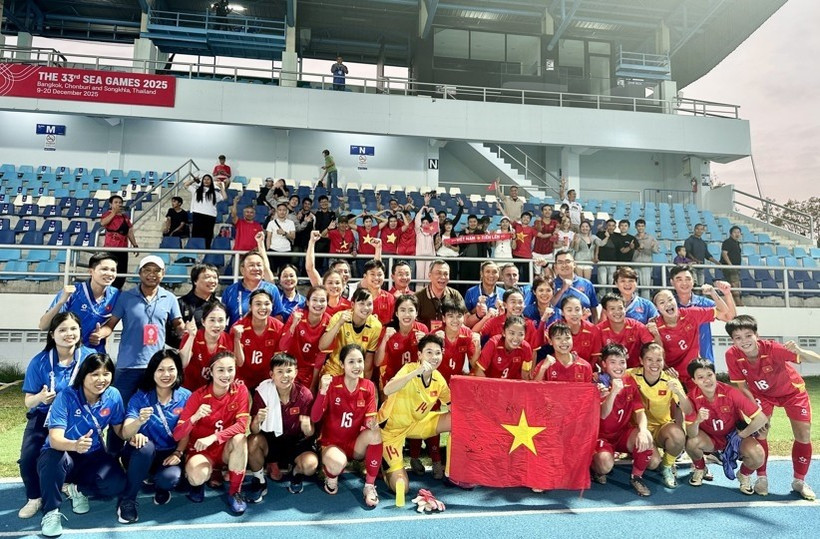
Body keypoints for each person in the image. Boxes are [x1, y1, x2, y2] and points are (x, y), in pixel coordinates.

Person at [724, 315, 818, 499]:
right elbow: (742, 386)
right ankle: (761, 477)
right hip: (762, 396)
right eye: (738, 337)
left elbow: (815, 359)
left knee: (803, 435)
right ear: (732, 340)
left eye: (748, 335)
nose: (744, 341)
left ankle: (799, 481)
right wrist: (755, 411)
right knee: (761, 431)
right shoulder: (732, 355)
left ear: (756, 335)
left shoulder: (773, 348)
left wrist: (799, 350)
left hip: (792, 392)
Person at [37, 353, 126, 537]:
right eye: (95, 374)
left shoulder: (113, 395)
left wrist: (136, 430)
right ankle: (51, 511)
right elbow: (55, 439)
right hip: (65, 454)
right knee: (53, 456)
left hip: (93, 454)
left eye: (106, 374)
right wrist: (75, 445)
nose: (101, 379)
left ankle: (77, 490)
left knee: (117, 484)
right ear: (84, 375)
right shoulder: (66, 397)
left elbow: (120, 430)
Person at [18, 313, 95, 520]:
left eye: (73, 329)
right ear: (52, 335)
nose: (68, 334)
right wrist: (41, 398)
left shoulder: (89, 357)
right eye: (62, 330)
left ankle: (72, 487)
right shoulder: (40, 361)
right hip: (43, 416)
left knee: (83, 453)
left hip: (76, 418)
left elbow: (100, 386)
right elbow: (28, 401)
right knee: (28, 457)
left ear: (80, 332)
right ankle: (35, 497)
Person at [92, 255, 183, 408]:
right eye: (147, 270)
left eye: (156, 271)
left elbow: (178, 325)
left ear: (163, 273)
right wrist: (100, 334)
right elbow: (111, 324)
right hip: (127, 365)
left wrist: (189, 333)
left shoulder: (170, 298)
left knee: (152, 411)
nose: (152, 274)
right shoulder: (126, 297)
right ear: (140, 273)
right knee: (120, 409)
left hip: (156, 366)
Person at [118, 350, 190, 523]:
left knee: (169, 479)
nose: (166, 375)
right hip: (140, 454)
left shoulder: (186, 397)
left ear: (178, 371)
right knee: (145, 447)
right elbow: (126, 433)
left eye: (171, 369)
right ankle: (128, 501)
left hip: (168, 454)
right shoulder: (140, 398)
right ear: (152, 372)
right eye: (160, 370)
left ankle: (159, 485)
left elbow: (187, 430)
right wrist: (138, 424)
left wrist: (178, 453)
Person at [173, 352, 250, 514]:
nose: (226, 375)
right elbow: (178, 434)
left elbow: (242, 425)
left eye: (230, 369)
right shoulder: (198, 396)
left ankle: (234, 492)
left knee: (240, 439)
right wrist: (195, 418)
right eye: (221, 370)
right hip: (202, 451)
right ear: (211, 371)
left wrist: (214, 437)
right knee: (197, 475)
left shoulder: (240, 391)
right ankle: (199, 483)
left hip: (225, 450)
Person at [310, 344, 383, 507]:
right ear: (342, 364)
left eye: (360, 361)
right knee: (337, 463)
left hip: (354, 444)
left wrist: (372, 423)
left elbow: (369, 420)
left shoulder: (368, 386)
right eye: (351, 362)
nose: (357, 366)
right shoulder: (332, 384)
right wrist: (322, 391)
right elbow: (315, 418)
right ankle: (330, 474)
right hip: (332, 444)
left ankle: (369, 486)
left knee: (376, 434)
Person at [379, 334, 452, 493]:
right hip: (392, 431)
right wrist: (416, 372)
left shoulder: (439, 380)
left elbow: (452, 405)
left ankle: (453, 472)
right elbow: (387, 389)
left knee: (458, 421)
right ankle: (383, 465)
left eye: (438, 353)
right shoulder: (409, 369)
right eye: (429, 352)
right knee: (402, 488)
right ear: (419, 355)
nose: (434, 357)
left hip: (417, 424)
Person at [684, 358, 767, 495]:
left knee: (758, 455)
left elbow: (761, 418)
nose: (707, 380)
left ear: (715, 375)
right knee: (691, 443)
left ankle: (744, 474)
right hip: (710, 439)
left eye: (710, 375)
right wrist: (697, 420)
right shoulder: (691, 398)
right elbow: (691, 433)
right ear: (694, 381)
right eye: (701, 377)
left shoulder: (730, 392)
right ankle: (700, 468)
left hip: (733, 435)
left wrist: (741, 435)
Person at [246, 353, 318, 501]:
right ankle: (259, 481)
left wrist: (307, 427)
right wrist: (257, 421)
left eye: (289, 371)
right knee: (252, 441)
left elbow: (311, 432)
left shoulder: (305, 395)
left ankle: (296, 472)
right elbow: (254, 431)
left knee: (310, 465)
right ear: (272, 374)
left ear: (296, 372)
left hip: (296, 441)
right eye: (280, 372)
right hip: (271, 441)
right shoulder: (262, 392)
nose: (285, 376)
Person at [591, 344, 655, 497]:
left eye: (622, 362)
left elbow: (640, 412)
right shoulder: (597, 382)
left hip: (622, 434)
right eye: (613, 362)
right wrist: (613, 392)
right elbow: (603, 415)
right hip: (601, 436)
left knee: (652, 457)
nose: (618, 367)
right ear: (604, 364)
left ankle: (636, 477)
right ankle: (594, 468)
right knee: (605, 465)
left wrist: (643, 430)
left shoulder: (630, 381)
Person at [626, 342, 691, 489]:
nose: (654, 364)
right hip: (638, 428)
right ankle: (642, 454)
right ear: (641, 361)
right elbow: (610, 377)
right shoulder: (630, 374)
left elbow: (687, 410)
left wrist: (680, 392)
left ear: (663, 361)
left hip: (662, 428)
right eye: (649, 359)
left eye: (659, 360)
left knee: (678, 435)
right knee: (652, 463)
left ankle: (667, 465)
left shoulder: (670, 380)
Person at [653, 281, 736, 389]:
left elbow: (724, 311)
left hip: (693, 372)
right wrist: (664, 368)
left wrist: (712, 292)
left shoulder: (691, 314)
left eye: (670, 299)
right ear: (657, 308)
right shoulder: (655, 326)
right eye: (662, 302)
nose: (668, 304)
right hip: (670, 373)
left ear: (675, 300)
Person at [39, 252, 120, 353]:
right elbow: (43, 326)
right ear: (91, 271)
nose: (109, 273)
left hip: (94, 355)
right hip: (67, 354)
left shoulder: (115, 295)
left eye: (113, 270)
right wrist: (61, 302)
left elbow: (110, 325)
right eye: (104, 269)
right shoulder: (73, 292)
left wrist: (101, 333)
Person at [318, 288, 383, 379]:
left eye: (369, 304)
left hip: (356, 371)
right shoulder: (339, 317)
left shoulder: (376, 325)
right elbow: (322, 346)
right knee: (326, 386)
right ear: (352, 305)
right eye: (361, 303)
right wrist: (339, 324)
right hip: (335, 369)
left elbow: (369, 359)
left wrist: (366, 383)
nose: (366, 308)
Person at [279, 286, 331, 393]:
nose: (318, 304)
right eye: (314, 300)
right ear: (307, 302)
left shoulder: (329, 321)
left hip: (313, 371)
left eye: (322, 300)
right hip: (292, 366)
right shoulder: (297, 315)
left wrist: (314, 384)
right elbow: (283, 346)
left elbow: (321, 356)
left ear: (327, 303)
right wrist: (293, 325)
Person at [221, 242, 286, 326]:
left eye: (259, 265)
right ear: (242, 270)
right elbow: (222, 318)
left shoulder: (272, 289)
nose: (256, 268)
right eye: (251, 265)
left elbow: (278, 316)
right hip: (237, 337)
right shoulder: (230, 291)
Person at [231, 289, 284, 392]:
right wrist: (237, 339)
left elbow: (278, 361)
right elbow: (238, 362)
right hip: (243, 377)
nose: (263, 308)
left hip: (268, 378)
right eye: (258, 304)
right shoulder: (238, 328)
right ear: (250, 307)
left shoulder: (279, 328)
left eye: (267, 304)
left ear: (272, 306)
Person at [375, 294, 428, 393]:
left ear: (416, 313)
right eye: (403, 310)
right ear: (396, 313)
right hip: (391, 381)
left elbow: (427, 362)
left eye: (411, 310)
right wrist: (384, 340)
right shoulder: (387, 330)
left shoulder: (422, 329)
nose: (407, 315)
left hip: (414, 380)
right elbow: (377, 362)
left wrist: (424, 342)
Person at [179, 301, 236, 391]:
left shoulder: (228, 340)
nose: (216, 325)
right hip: (190, 391)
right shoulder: (191, 337)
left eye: (221, 320)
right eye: (212, 320)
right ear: (203, 321)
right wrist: (191, 337)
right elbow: (182, 363)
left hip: (215, 392)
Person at [670, 264, 720, 361]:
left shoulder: (704, 303)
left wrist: (715, 293)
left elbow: (729, 316)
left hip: (704, 362)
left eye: (688, 279)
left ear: (693, 281)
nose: (684, 283)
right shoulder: (667, 306)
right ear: (672, 282)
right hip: (676, 364)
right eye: (679, 279)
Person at [598, 293, 658, 368]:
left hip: (636, 371)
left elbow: (653, 347)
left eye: (620, 308)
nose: (617, 312)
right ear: (605, 311)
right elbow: (597, 357)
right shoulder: (599, 330)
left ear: (625, 308)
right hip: (610, 372)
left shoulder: (637, 326)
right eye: (612, 309)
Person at [167, 263, 219, 349]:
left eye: (215, 277)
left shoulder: (218, 305)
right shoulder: (181, 303)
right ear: (195, 281)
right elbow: (170, 334)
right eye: (207, 277)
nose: (212, 281)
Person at [474, 315, 533, 380]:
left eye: (520, 334)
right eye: (512, 333)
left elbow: (525, 377)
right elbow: (478, 371)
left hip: (510, 386)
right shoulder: (493, 343)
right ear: (504, 333)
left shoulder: (526, 348)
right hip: (490, 384)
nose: (516, 338)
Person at [414, 259, 464, 332]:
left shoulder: (455, 295)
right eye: (438, 273)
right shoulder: (418, 297)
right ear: (429, 275)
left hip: (449, 338)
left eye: (446, 274)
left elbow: (464, 318)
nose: (442, 277)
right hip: (426, 339)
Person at [100, 194, 137, 289]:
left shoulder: (125, 217)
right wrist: (113, 213)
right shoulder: (107, 214)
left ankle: (117, 290)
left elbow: (129, 232)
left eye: (120, 203)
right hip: (110, 248)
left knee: (121, 272)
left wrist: (135, 245)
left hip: (123, 248)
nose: (118, 204)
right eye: (116, 202)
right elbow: (103, 223)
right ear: (111, 204)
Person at [551, 249, 599, 323]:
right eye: (560, 262)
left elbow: (594, 312)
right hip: (558, 330)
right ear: (556, 266)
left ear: (574, 264)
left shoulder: (586, 284)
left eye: (567, 261)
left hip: (583, 329)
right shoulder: (551, 285)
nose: (564, 265)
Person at [557, 295, 603, 366]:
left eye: (577, 309)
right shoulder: (555, 329)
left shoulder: (593, 330)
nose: (574, 314)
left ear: (582, 311)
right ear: (562, 312)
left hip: (587, 371)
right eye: (569, 310)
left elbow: (595, 357)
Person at [185, 174, 226, 250]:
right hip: (198, 214)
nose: (206, 181)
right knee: (196, 234)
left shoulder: (215, 193)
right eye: (205, 179)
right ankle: (194, 252)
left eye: (208, 179)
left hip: (210, 216)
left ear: (211, 181)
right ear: (202, 181)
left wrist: (221, 188)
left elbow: (224, 197)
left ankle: (207, 250)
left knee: (208, 235)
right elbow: (186, 185)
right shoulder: (196, 190)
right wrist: (194, 180)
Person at [464, 261, 504, 328]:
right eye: (488, 272)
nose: (491, 275)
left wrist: (501, 309)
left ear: (498, 275)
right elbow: (465, 320)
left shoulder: (503, 293)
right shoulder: (471, 292)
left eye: (494, 272)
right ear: (481, 274)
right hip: (475, 331)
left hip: (497, 330)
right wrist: (477, 309)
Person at [357, 258, 395, 325]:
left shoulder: (389, 298)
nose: (376, 278)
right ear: (365, 276)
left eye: (379, 274)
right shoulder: (358, 296)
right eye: (372, 274)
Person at [265, 201, 296, 275]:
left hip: (286, 250)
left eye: (284, 210)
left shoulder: (290, 223)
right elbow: (268, 237)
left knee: (284, 272)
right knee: (272, 272)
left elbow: (293, 237)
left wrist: (284, 233)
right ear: (277, 211)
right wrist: (268, 249)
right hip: (273, 249)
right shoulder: (271, 223)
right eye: (280, 210)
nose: (282, 212)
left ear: (286, 212)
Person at [415, 194, 440, 280]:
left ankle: (428, 292)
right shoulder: (418, 231)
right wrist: (423, 208)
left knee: (429, 276)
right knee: (420, 276)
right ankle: (419, 293)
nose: (425, 224)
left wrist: (433, 212)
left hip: (430, 256)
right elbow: (417, 219)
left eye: (427, 223)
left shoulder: (431, 232)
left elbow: (436, 223)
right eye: (423, 222)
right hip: (419, 256)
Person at [632, 219, 659, 298]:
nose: (640, 228)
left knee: (645, 286)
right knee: (634, 286)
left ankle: (646, 304)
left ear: (645, 227)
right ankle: (635, 303)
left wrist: (653, 247)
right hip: (635, 264)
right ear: (636, 227)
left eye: (642, 226)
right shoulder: (633, 238)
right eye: (639, 226)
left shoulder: (651, 238)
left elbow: (656, 251)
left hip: (646, 265)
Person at [721, 225, 744, 306]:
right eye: (735, 232)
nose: (737, 234)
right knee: (734, 285)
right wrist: (730, 265)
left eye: (738, 232)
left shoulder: (737, 243)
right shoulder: (727, 242)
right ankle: (739, 304)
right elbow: (724, 254)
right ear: (731, 234)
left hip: (736, 268)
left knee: (736, 285)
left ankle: (736, 303)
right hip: (730, 268)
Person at [594, 219, 617, 290]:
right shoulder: (600, 234)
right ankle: (601, 299)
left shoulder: (617, 236)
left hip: (613, 262)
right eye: (609, 225)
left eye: (613, 226)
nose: (611, 227)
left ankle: (610, 298)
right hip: (602, 261)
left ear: (615, 227)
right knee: (602, 283)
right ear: (606, 226)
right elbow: (597, 246)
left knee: (611, 282)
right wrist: (596, 256)